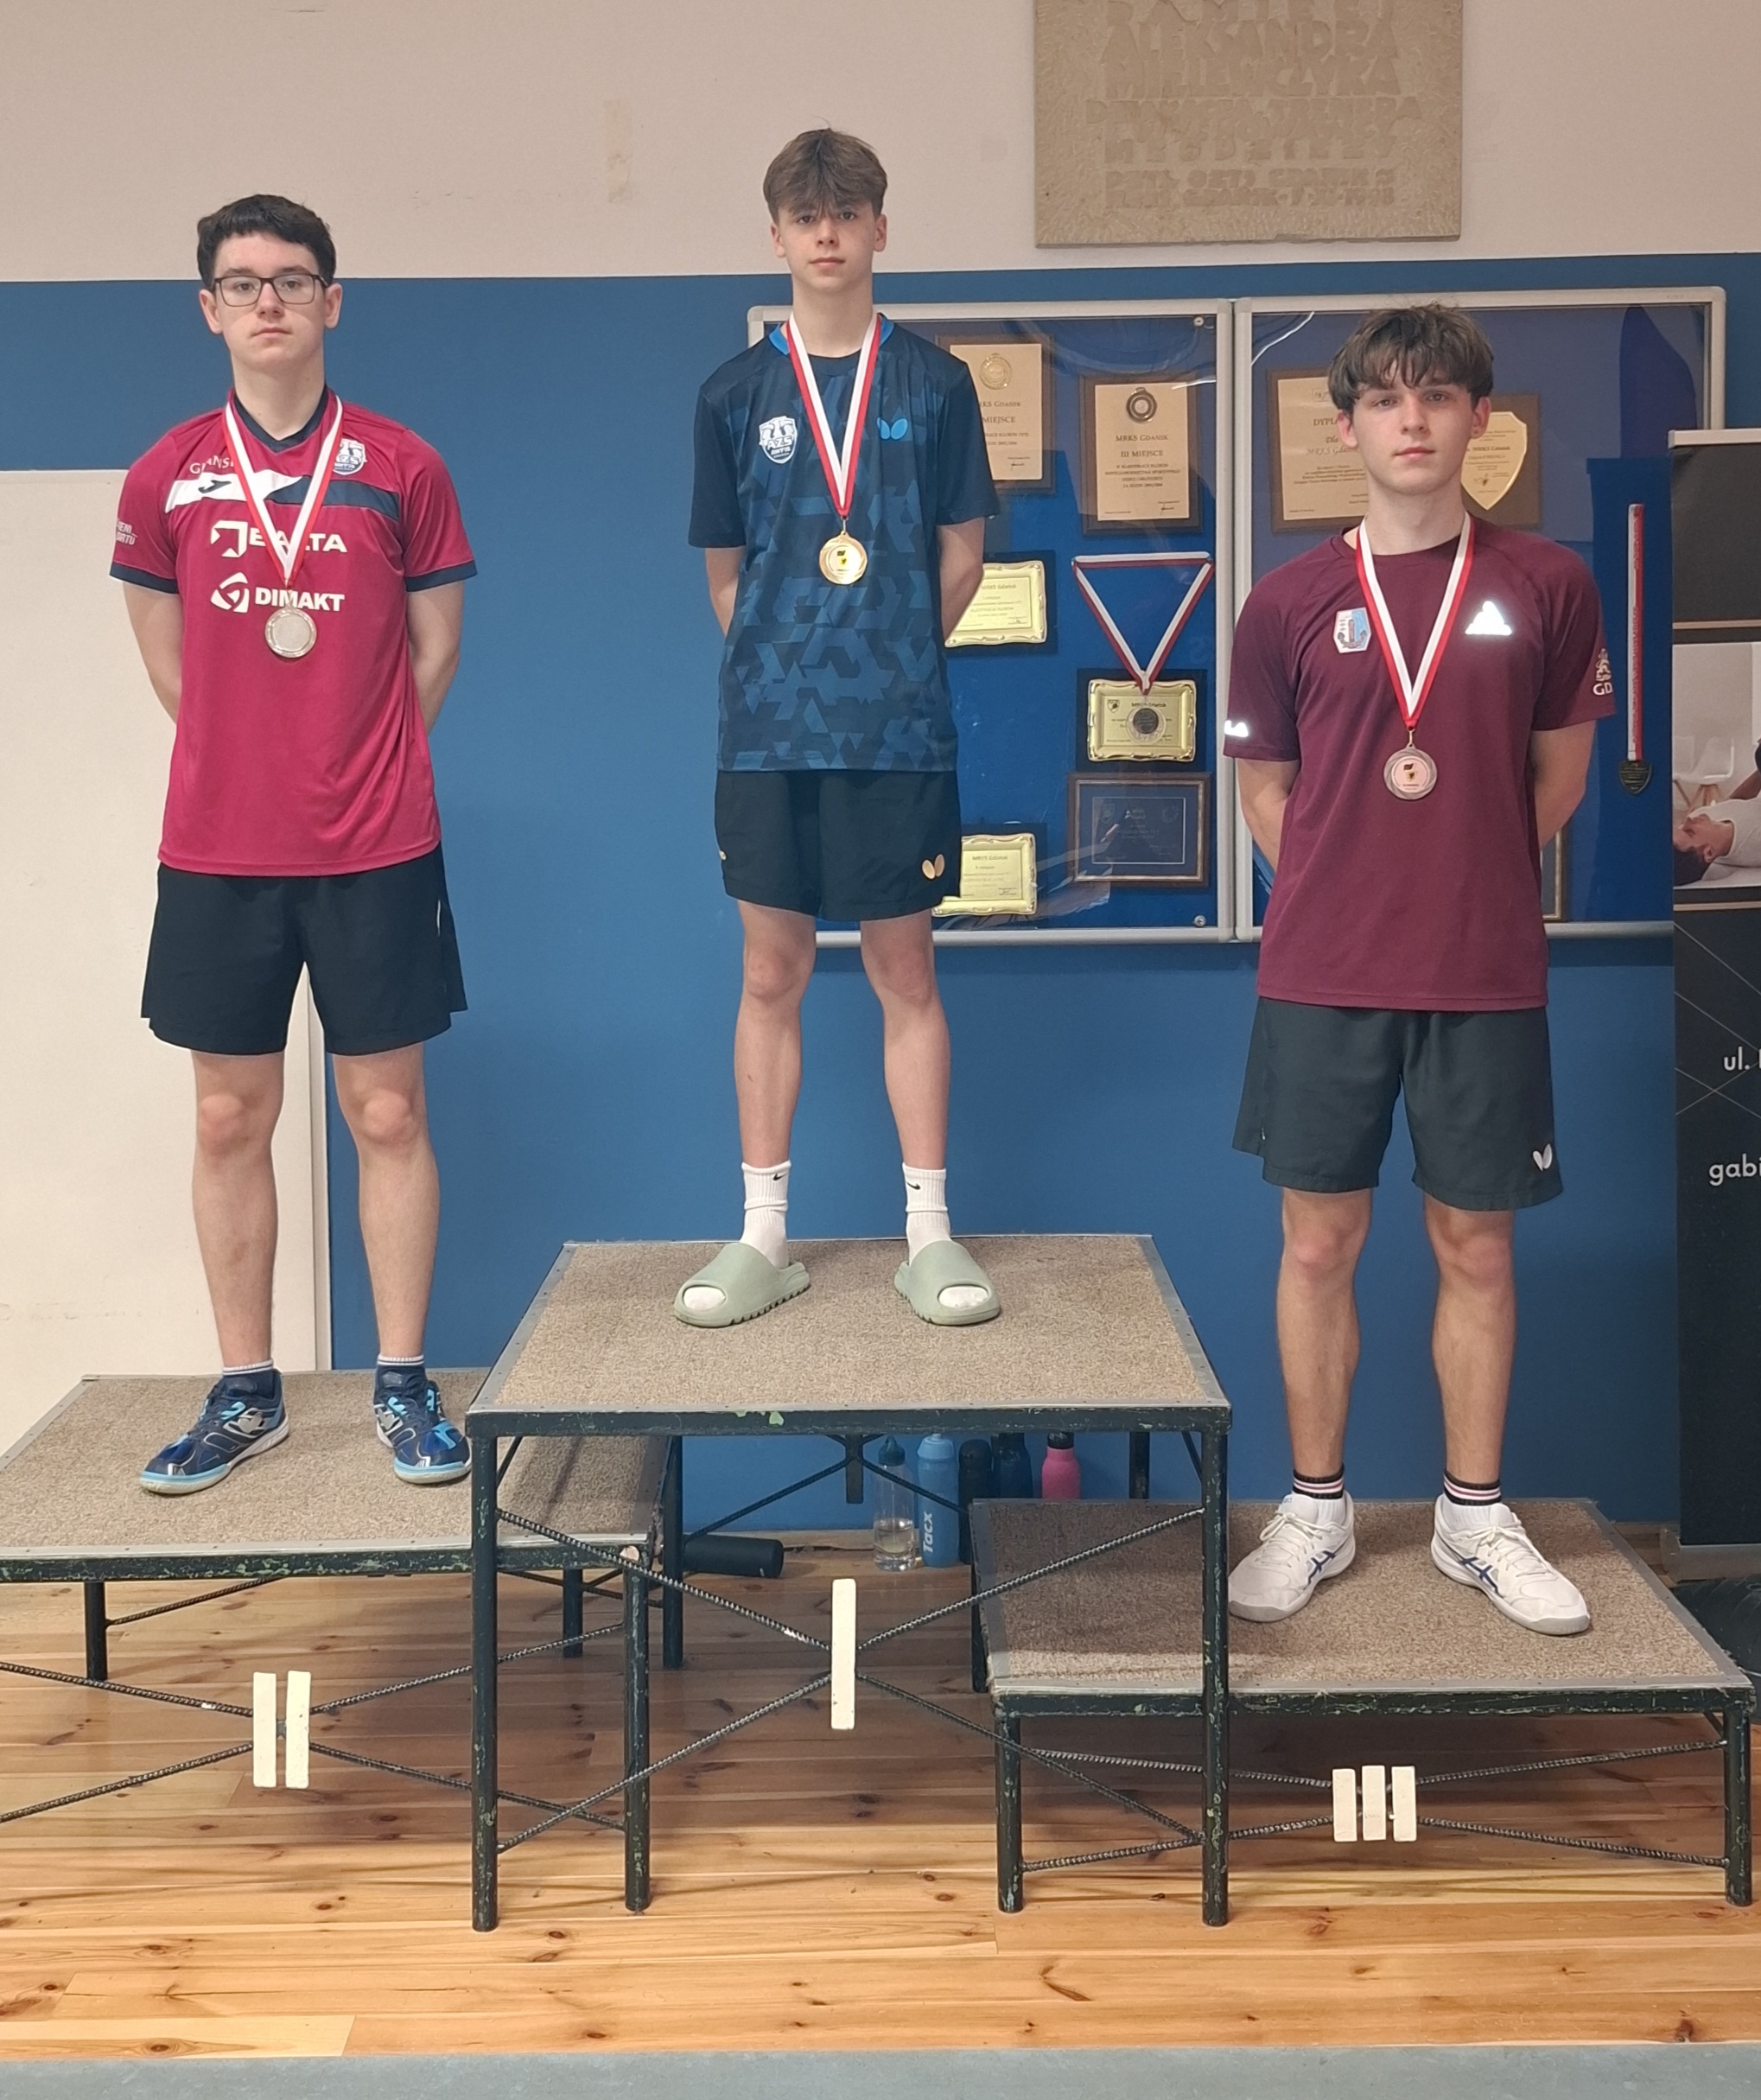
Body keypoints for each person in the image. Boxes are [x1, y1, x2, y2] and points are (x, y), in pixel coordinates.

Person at [1224, 303, 1613, 1636]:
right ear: (1344, 427)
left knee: (1477, 1245)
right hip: (1320, 971)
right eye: (1385, 399)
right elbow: (1265, 793)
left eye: (1436, 396)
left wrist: (1456, 877)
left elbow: (1556, 782)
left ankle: (1471, 1515)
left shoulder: (1547, 585)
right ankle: (1314, 1508)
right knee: (1316, 1240)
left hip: (1483, 968)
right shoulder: (1284, 602)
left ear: (1476, 421)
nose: (1411, 420)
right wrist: (1351, 885)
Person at [111, 194, 476, 1492]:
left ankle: (402, 1381)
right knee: (226, 1116)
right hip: (220, 848)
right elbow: (168, 662)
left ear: (332, 300)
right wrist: (255, 760)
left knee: (387, 1107)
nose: (268, 301)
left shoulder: (402, 465)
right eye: (242, 282)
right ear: (208, 308)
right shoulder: (165, 475)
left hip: (377, 842)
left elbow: (433, 650)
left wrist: (350, 762)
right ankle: (247, 1388)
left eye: (291, 279)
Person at [677, 128, 1000, 1329]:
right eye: (806, 216)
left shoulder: (936, 384)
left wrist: (889, 652)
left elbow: (962, 555)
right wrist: (790, 662)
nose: (827, 233)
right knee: (771, 972)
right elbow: (725, 576)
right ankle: (763, 1234)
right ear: (776, 235)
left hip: (898, 732)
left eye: (847, 212)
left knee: (904, 971)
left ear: (879, 228)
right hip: (767, 736)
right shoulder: (731, 394)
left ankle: (930, 1233)